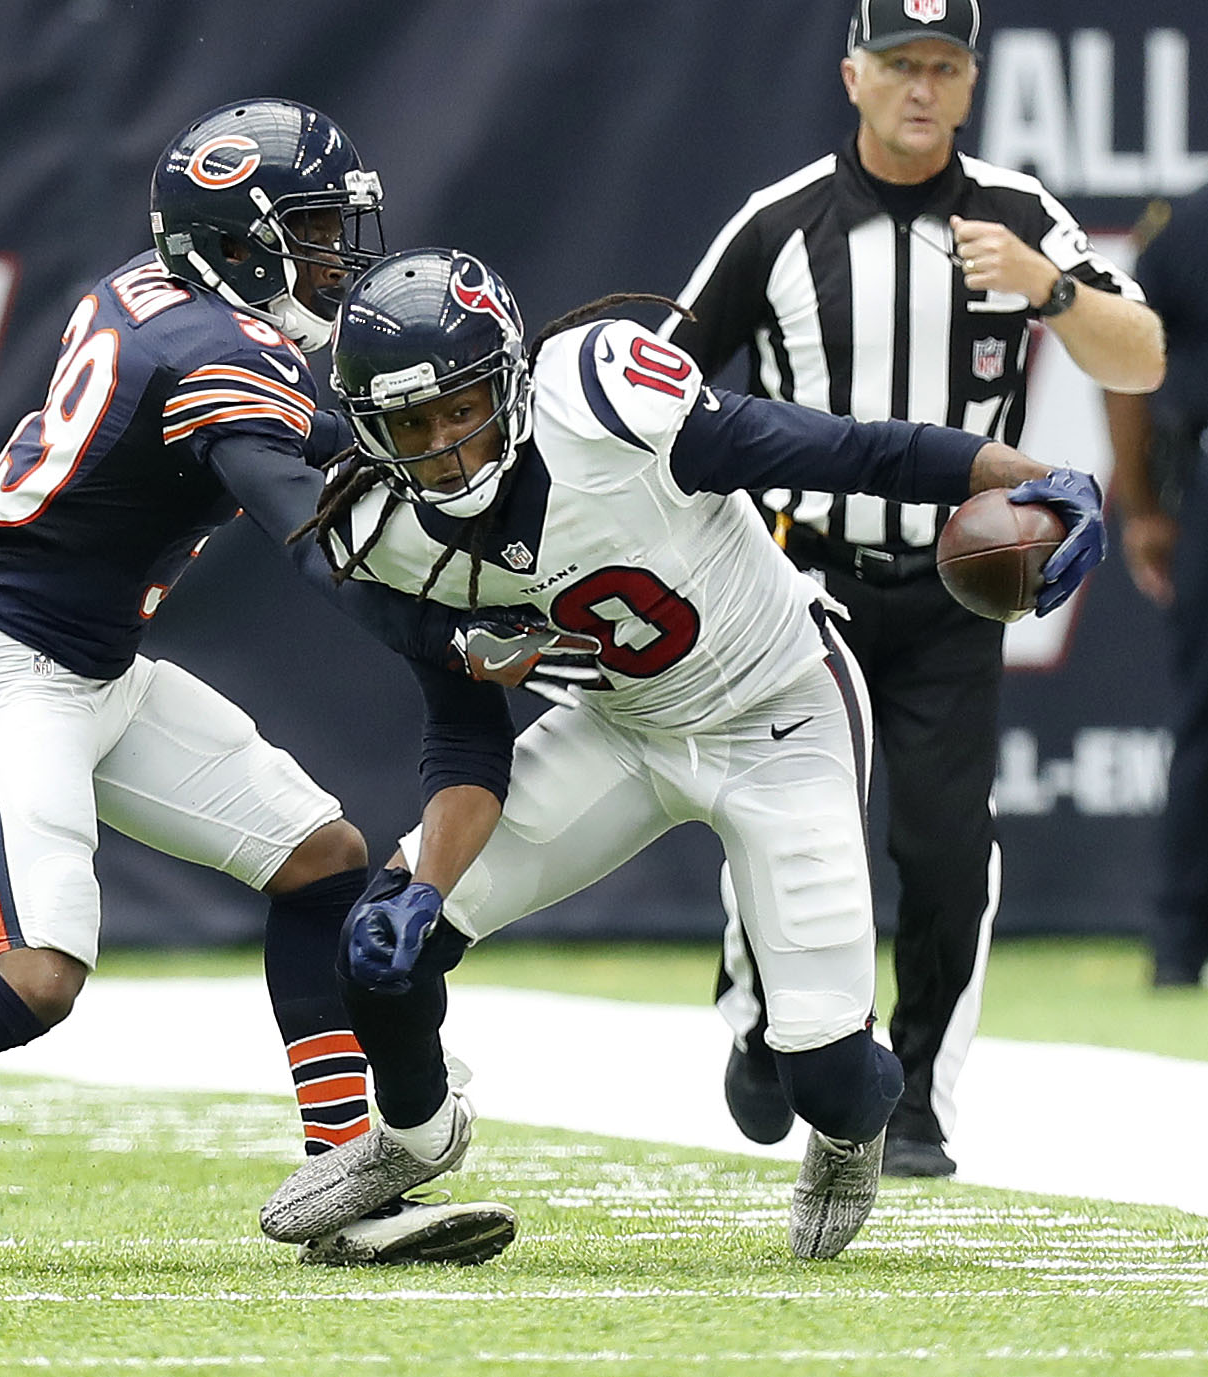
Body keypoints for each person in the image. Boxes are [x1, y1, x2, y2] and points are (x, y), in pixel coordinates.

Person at [0, 99, 545, 1275]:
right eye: (308, 230)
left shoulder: (164, 291)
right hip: (5, 660)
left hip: (101, 660)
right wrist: (451, 637)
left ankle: (344, 1186)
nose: (332, 257)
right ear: (238, 240)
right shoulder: (213, 352)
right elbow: (316, 543)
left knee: (322, 858)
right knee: (38, 975)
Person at [255, 245, 1105, 1261]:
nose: (446, 447)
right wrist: (424, 881)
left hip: (779, 709)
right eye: (411, 424)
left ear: (513, 380)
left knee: (826, 1074)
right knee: (378, 952)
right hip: (623, 726)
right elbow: (465, 733)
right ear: (368, 430)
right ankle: (413, 1135)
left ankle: (850, 1128)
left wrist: (1032, 478)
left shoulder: (608, 408)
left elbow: (845, 452)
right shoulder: (389, 533)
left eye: (460, 405)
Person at [659, 0, 1164, 1177]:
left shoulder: (1014, 212)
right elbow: (665, 376)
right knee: (792, 816)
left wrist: (1048, 286)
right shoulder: (779, 223)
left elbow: (1140, 360)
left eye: (942, 67)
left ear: (972, 84)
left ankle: (919, 1098)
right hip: (797, 582)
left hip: (955, 588)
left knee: (943, 845)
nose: (920, 87)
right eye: (898, 64)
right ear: (853, 77)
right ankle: (758, 1006)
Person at [1104, 184, 1208, 989]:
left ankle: (1177, 946)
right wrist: (1139, 503)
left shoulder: (1181, 223)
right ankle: (1174, 940)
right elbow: (1128, 365)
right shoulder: (1184, 227)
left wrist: (1142, 506)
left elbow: (1128, 371)